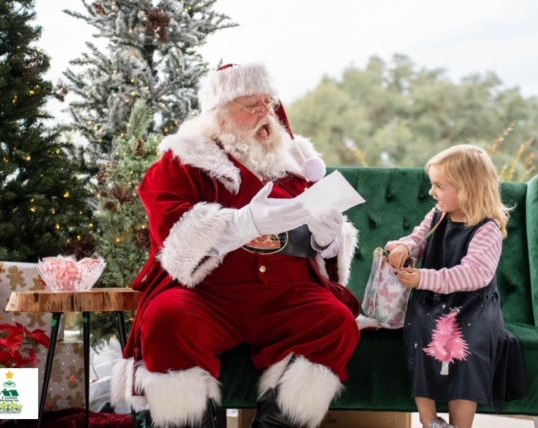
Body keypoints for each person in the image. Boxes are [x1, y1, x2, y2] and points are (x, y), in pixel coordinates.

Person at [110, 63, 361, 428]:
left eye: (268, 103)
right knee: (167, 318)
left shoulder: (292, 163)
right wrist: (246, 223)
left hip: (287, 296)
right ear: (222, 116)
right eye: (252, 106)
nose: (267, 114)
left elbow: (318, 249)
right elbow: (174, 237)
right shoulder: (183, 160)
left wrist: (327, 237)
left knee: (334, 321)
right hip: (209, 297)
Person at [385, 145, 528, 428]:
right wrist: (402, 246)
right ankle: (429, 421)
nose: (432, 192)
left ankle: (460, 424)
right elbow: (418, 238)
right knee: (421, 333)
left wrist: (424, 277)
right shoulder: (439, 214)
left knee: (468, 347)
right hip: (432, 301)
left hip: (473, 306)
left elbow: (474, 274)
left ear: (468, 189)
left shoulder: (487, 228)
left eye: (439, 185)